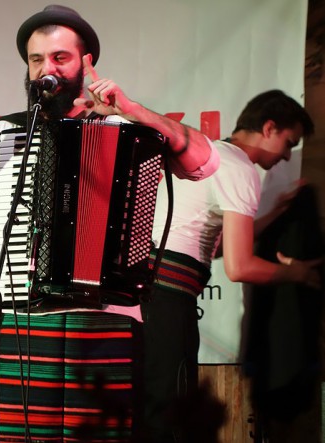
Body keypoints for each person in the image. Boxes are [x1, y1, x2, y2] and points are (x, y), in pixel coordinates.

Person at [0, 4, 221, 442]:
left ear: (85, 63)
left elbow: (204, 163)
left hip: (105, 313)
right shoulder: (2, 134)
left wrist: (133, 109)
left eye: (59, 57)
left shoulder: (122, 126)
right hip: (21, 314)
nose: (46, 69)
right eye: (36, 60)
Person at [147, 89, 321, 441]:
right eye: (289, 143)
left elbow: (217, 246)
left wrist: (273, 215)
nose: (287, 156)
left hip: (152, 296)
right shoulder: (240, 167)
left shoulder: (216, 155)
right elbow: (239, 267)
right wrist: (298, 273)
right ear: (269, 128)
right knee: (169, 414)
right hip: (169, 299)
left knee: (156, 409)